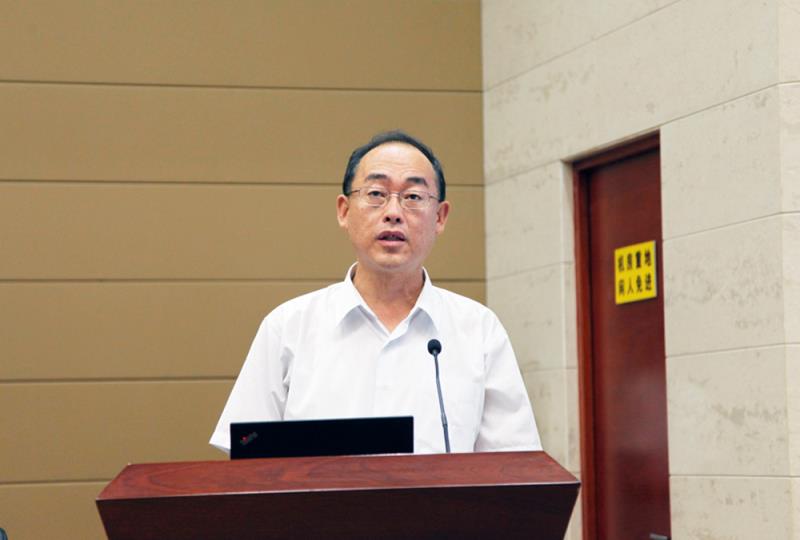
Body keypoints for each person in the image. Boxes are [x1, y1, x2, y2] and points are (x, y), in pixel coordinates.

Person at [210, 131, 541, 454]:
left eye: (413, 197)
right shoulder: (288, 327)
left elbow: (513, 465)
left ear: (440, 217)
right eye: (376, 194)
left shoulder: (479, 330)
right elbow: (247, 454)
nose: (393, 212)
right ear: (344, 211)